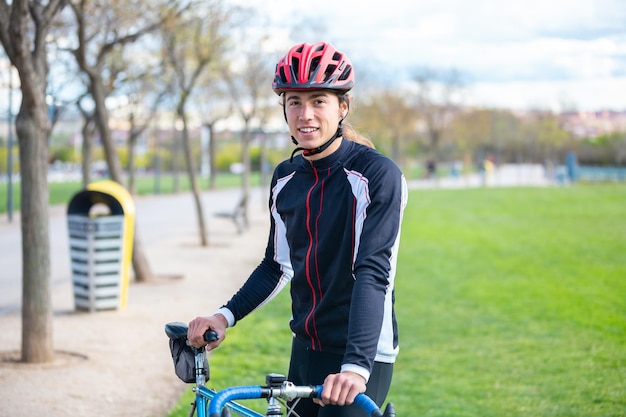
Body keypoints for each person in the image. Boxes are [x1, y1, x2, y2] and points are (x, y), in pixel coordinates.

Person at [188, 41, 408, 417]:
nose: (305, 114)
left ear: (343, 107)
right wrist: (222, 317)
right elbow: (277, 265)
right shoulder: (285, 178)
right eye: (294, 102)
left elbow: (372, 271)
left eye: (318, 101)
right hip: (306, 348)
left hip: (362, 354)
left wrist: (355, 369)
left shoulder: (376, 175)